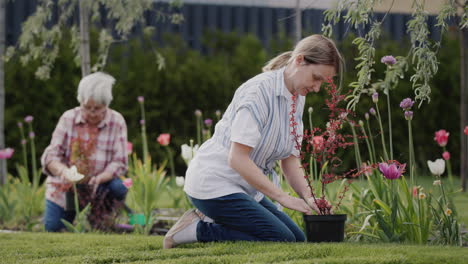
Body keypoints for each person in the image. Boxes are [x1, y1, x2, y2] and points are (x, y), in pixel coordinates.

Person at [163, 34, 344, 248]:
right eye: (316, 78)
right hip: (214, 183)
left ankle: (216, 218)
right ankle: (194, 229)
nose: (317, 88)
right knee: (280, 238)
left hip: (243, 188)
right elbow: (237, 159)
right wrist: (283, 198)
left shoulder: (297, 97)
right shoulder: (258, 92)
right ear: (299, 60)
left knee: (296, 238)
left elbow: (290, 159)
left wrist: (308, 197)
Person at [41, 72, 128, 232]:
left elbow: (120, 162)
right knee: (53, 228)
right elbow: (51, 156)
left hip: (98, 187)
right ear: (80, 102)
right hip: (65, 188)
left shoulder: (117, 121)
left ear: (106, 105)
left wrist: (100, 178)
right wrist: (64, 171)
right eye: (87, 107)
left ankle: (104, 220)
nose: (92, 113)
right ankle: (73, 216)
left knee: (119, 187)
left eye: (98, 108)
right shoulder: (68, 119)